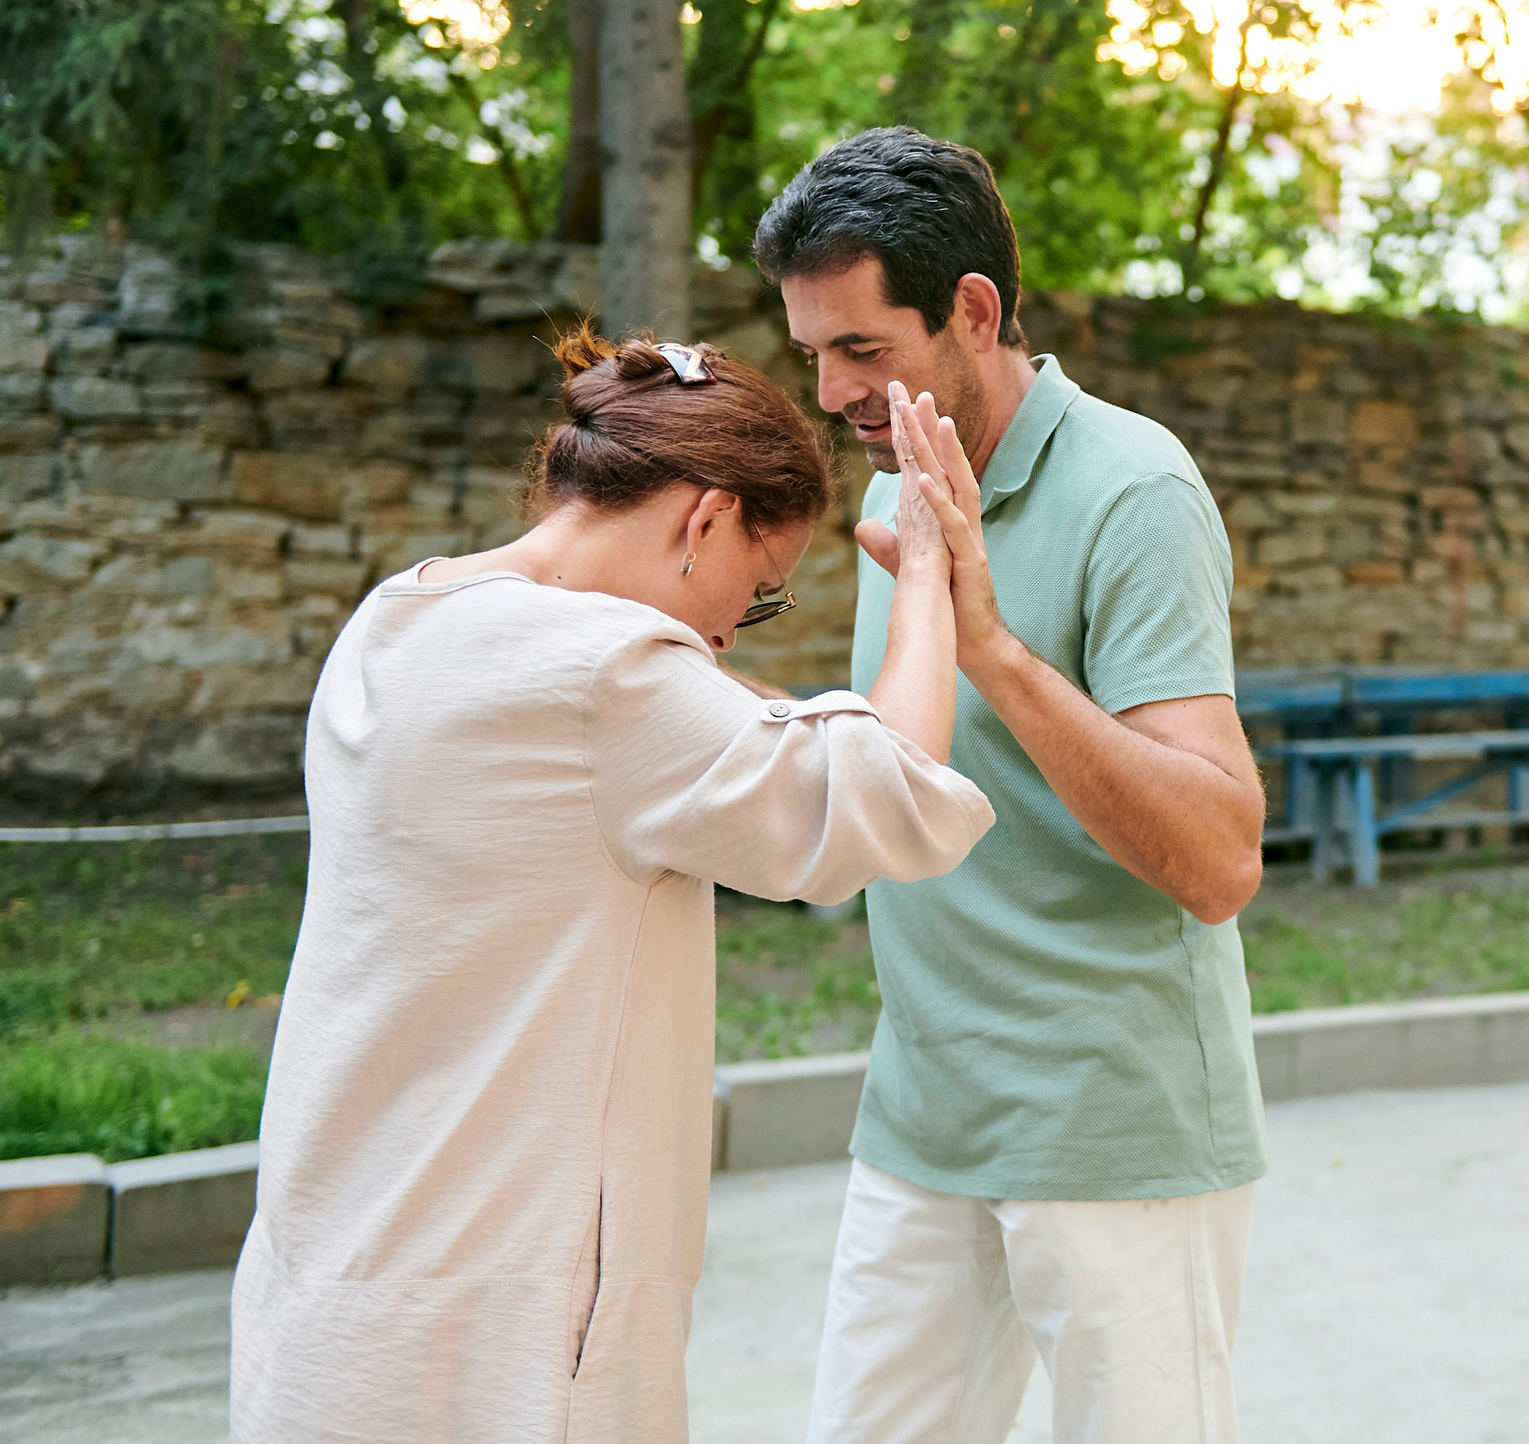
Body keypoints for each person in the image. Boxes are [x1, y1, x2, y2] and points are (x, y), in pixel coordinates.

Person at [230, 330, 995, 1443]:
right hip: (497, 1332)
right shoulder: (606, 678)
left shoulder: (398, 616)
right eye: (759, 591)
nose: (727, 633)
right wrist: (929, 572)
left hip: (331, 1291)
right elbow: (890, 791)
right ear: (707, 518)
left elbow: (696, 723)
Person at [755, 128, 1269, 1444]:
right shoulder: (898, 491)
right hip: (923, 1112)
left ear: (973, 313)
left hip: (1114, 1128)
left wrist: (992, 647)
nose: (831, 390)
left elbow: (1220, 859)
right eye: (813, 352)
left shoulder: (1134, 488)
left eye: (861, 347)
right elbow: (908, 774)